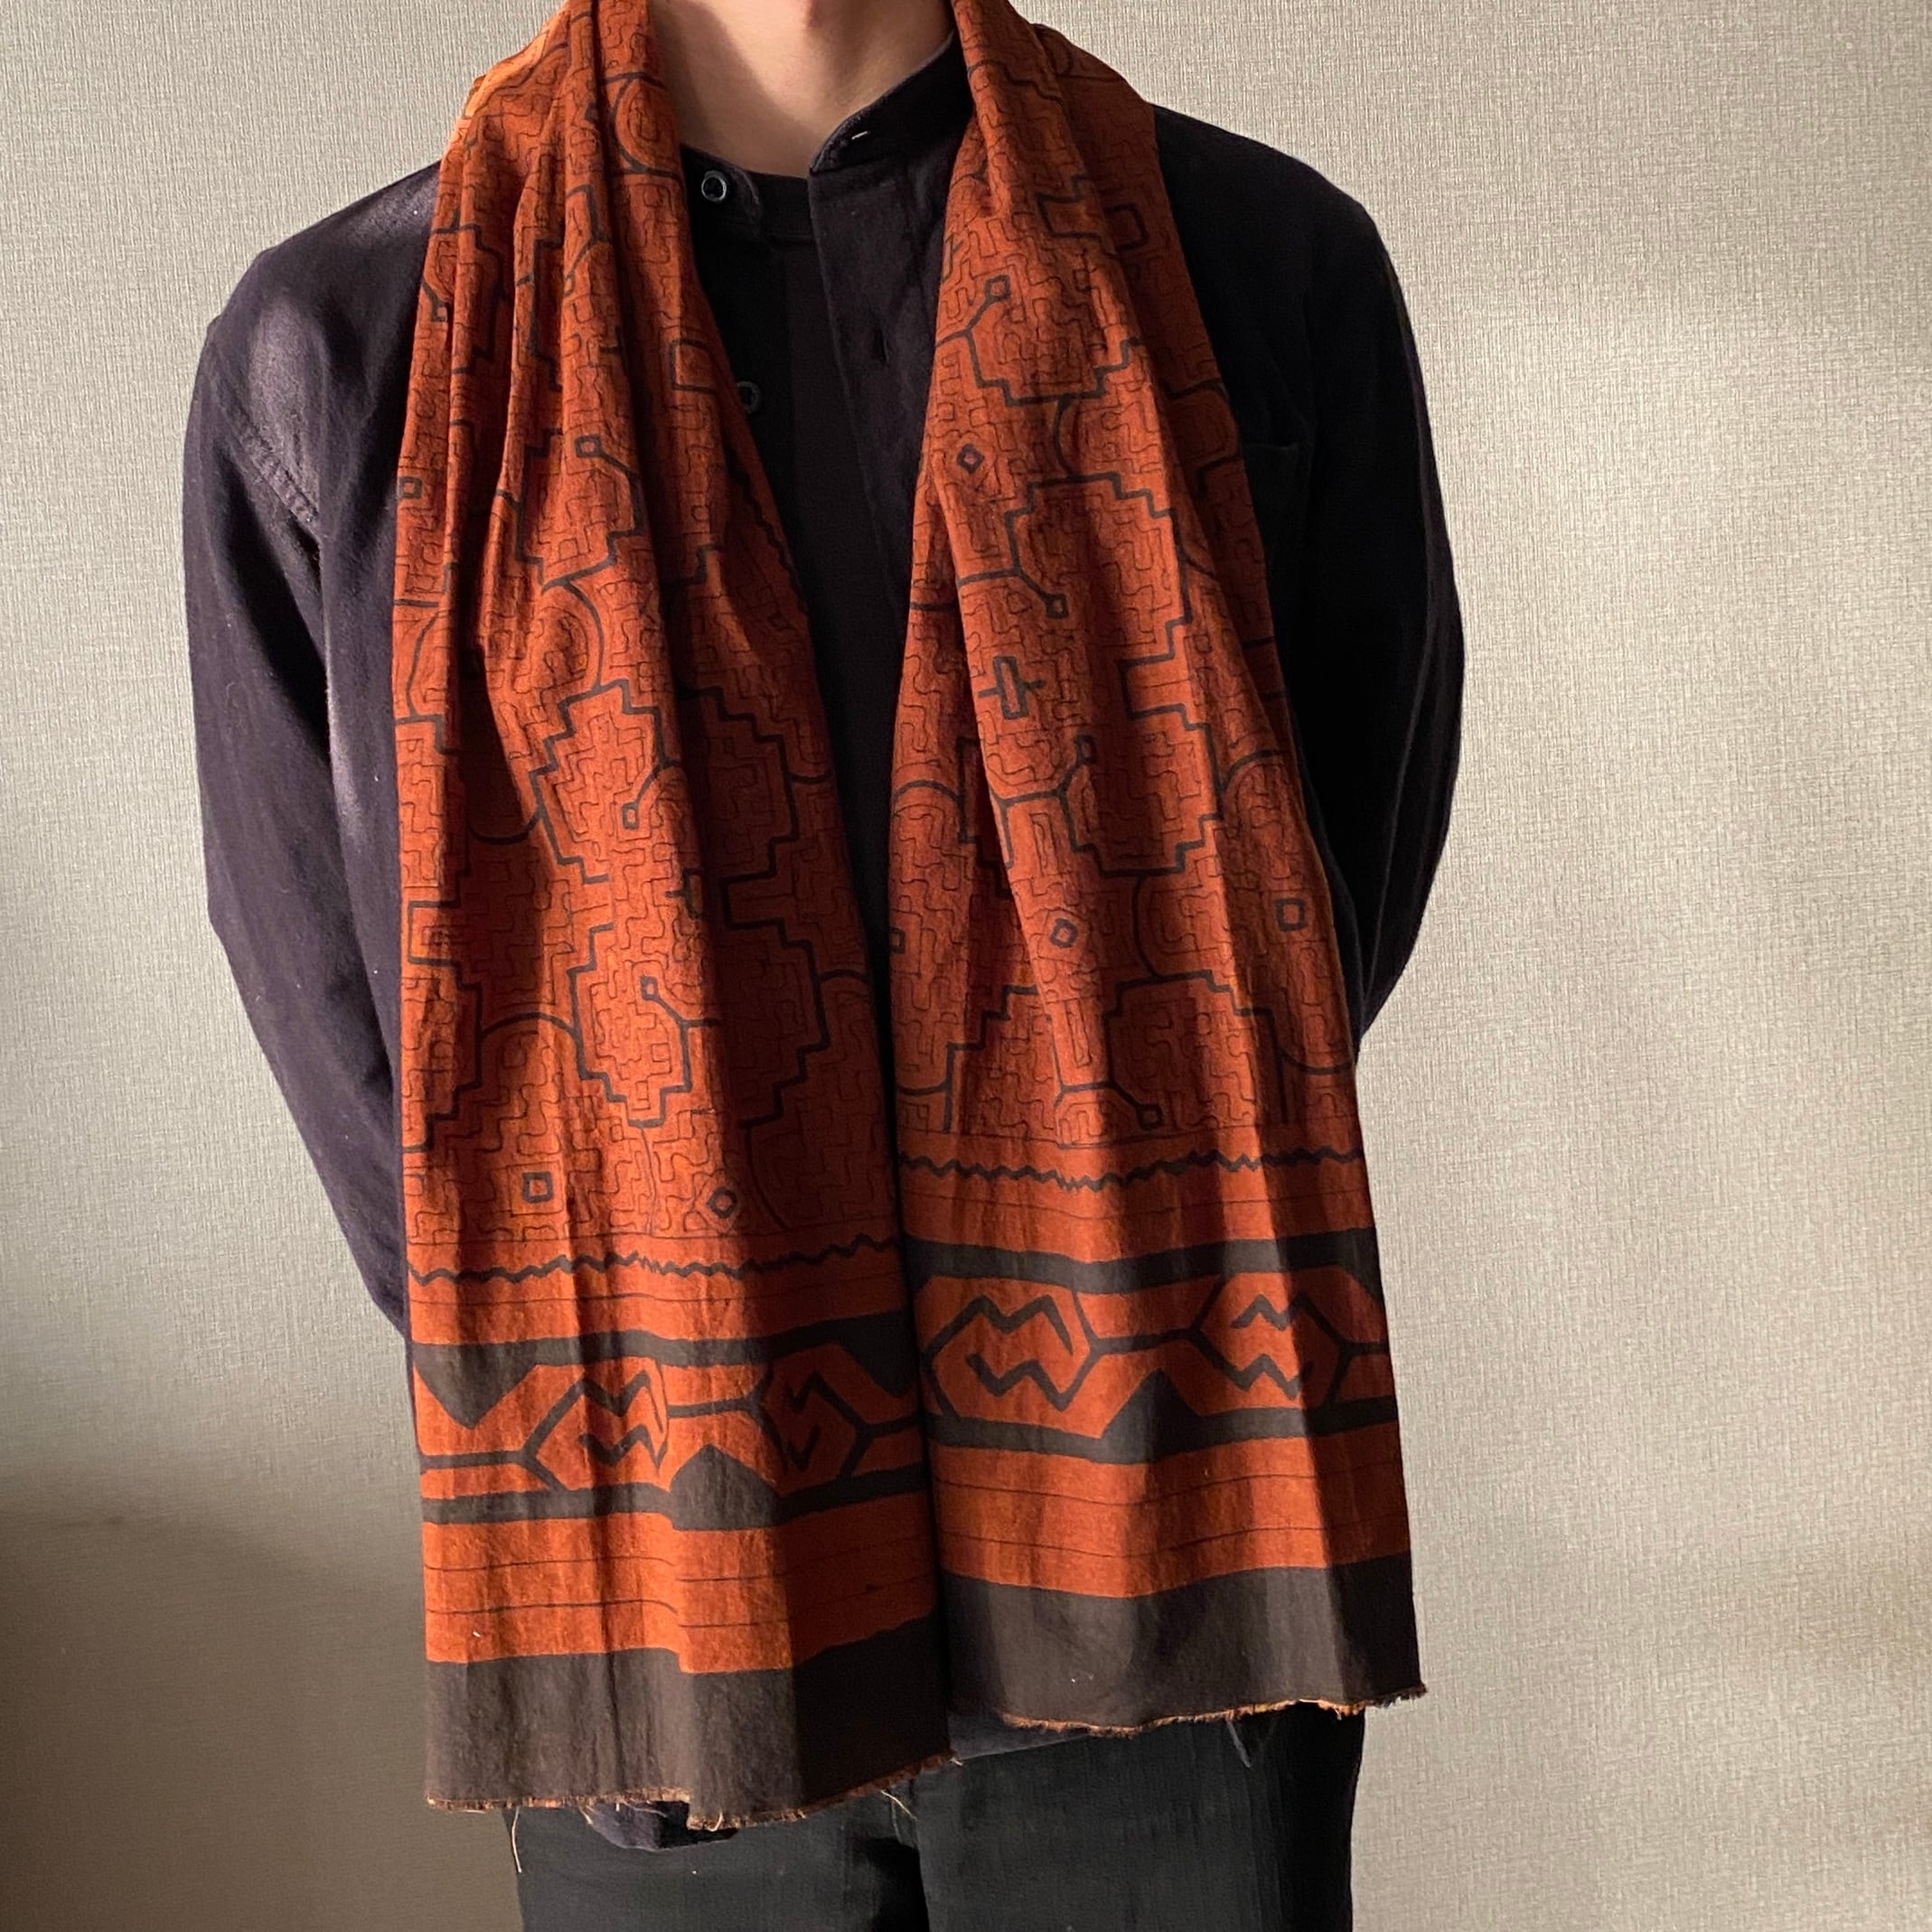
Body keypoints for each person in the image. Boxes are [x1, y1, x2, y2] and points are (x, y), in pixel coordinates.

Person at [179, 1, 1463, 1925]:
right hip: (665, 1614)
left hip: (1173, 1611)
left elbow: (1328, 888)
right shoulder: (346, 347)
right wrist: (624, 1369)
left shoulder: (1256, 269)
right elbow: (330, 991)